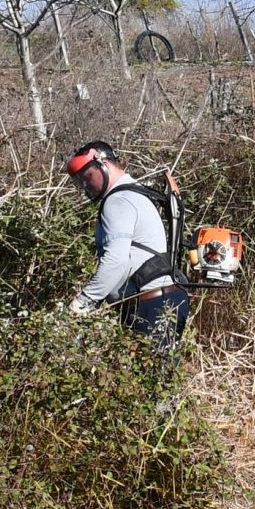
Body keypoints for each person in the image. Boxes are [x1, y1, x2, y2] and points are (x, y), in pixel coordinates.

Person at [62, 140, 191, 355]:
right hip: (164, 299)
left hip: (151, 304)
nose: (85, 186)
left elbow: (115, 260)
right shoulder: (136, 193)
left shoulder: (118, 200)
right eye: (80, 181)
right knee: (160, 379)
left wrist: (83, 303)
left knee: (150, 381)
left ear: (103, 164)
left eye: (87, 177)